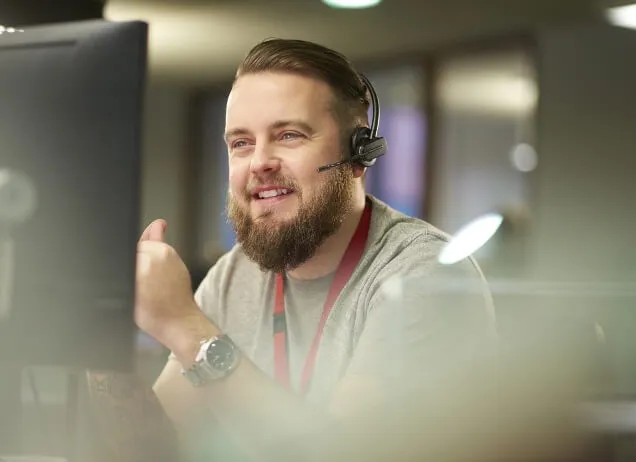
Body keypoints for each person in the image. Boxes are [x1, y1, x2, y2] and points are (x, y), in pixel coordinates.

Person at [134, 38, 488, 459]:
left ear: (358, 154)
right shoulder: (235, 274)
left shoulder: (423, 274)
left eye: (288, 135)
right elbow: (151, 445)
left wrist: (187, 330)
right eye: (241, 143)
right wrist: (93, 338)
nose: (259, 162)